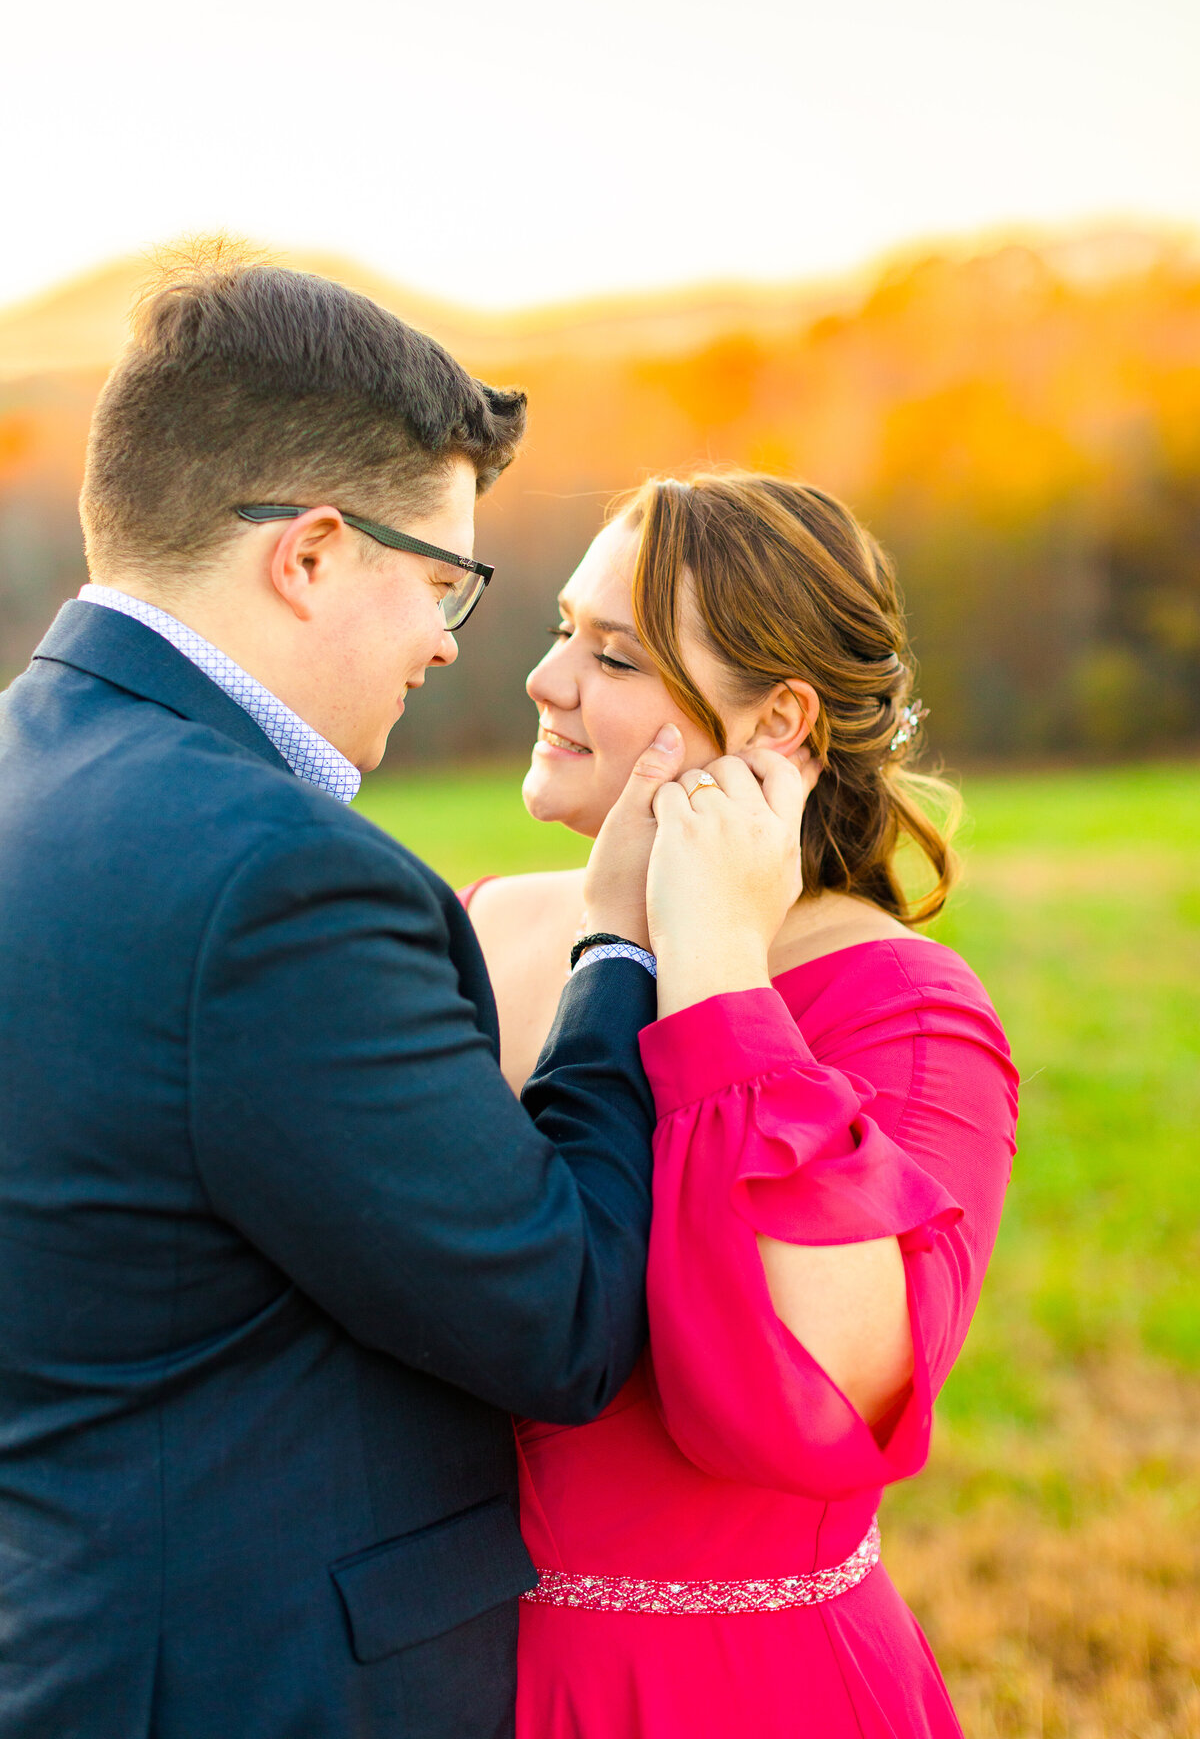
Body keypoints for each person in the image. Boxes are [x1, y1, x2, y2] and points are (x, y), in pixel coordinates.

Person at [0, 261, 800, 1739]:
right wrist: (623, 951)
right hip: (254, 1684)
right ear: (309, 555)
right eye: (444, 582)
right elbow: (557, 1321)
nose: (450, 642)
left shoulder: (27, 772)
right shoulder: (276, 879)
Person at [464, 471, 1021, 1738]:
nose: (548, 683)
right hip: (428, 1676)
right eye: (563, 631)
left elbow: (815, 1403)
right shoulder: (479, 923)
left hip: (731, 1692)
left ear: (777, 724)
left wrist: (710, 962)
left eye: (612, 655)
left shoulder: (908, 1015)